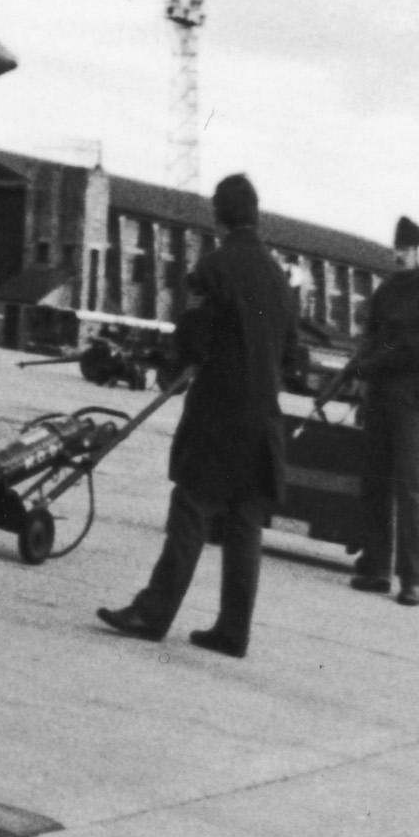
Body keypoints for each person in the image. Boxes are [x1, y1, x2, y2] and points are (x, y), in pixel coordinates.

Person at [100, 172, 306, 656]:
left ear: (219, 217)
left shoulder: (212, 269)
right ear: (255, 215)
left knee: (191, 508)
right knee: (243, 522)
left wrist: (169, 369)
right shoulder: (279, 277)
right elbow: (295, 355)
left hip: (219, 414)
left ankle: (152, 614)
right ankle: (234, 631)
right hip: (263, 419)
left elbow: (194, 337)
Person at [341, 218, 419, 607]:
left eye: (404, 248)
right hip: (380, 397)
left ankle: (411, 580)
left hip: (406, 401)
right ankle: (378, 569)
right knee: (376, 485)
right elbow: (371, 339)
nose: (398, 253)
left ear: (418, 249)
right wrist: (360, 367)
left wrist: (375, 362)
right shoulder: (386, 291)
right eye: (396, 248)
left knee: (408, 487)